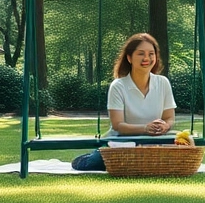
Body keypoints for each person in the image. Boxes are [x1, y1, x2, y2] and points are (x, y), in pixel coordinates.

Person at [71, 33, 178, 171]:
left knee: (185, 146)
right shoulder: (118, 86)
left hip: (155, 140)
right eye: (140, 54)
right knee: (94, 164)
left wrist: (165, 126)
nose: (147, 58)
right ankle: (90, 157)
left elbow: (169, 118)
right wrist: (145, 128)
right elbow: (118, 125)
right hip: (123, 142)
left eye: (151, 53)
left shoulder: (163, 83)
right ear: (129, 58)